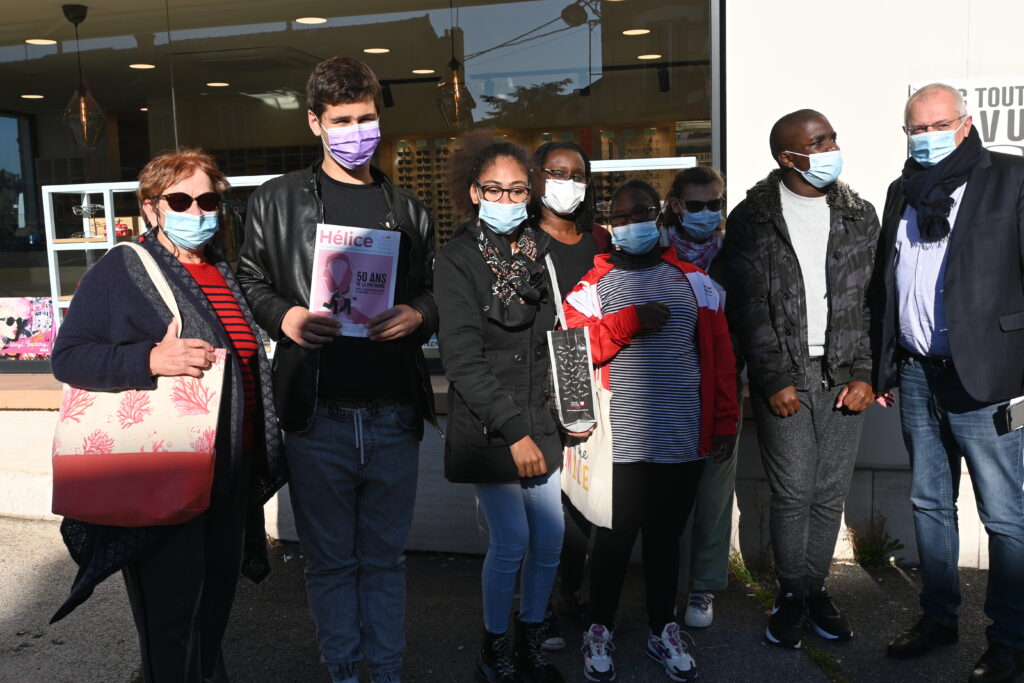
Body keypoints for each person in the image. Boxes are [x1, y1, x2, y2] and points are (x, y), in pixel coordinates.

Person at [50, 148, 286, 682]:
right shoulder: (123, 269)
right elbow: (69, 356)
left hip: (229, 469)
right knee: (172, 616)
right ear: (151, 207)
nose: (197, 210)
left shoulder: (223, 269)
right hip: (167, 468)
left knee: (213, 606)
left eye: (208, 200)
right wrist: (149, 359)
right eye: (181, 199)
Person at [237, 57, 438, 683]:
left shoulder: (408, 209)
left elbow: (434, 292)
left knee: (384, 561)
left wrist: (419, 315)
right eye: (343, 120)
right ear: (315, 123)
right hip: (316, 414)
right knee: (329, 564)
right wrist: (286, 318)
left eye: (367, 118)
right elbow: (248, 281)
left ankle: (387, 669)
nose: (357, 130)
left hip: (391, 415)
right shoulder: (275, 200)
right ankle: (344, 671)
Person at [874, 83, 1024, 683]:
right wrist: (886, 362)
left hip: (985, 377)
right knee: (930, 504)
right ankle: (939, 617)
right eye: (915, 128)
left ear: (964, 125)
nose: (927, 136)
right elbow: (889, 282)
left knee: (1006, 515)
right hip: (916, 374)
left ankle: (1010, 639)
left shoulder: (1011, 179)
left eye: (938, 124)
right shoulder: (901, 191)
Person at [565, 179, 738, 683]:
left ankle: (664, 628)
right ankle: (599, 628)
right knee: (614, 542)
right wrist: (629, 321)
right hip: (618, 443)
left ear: (660, 215)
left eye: (641, 212)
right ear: (609, 225)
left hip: (682, 437)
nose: (632, 223)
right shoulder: (591, 290)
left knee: (666, 540)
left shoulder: (697, 283)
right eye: (620, 217)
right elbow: (572, 358)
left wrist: (724, 421)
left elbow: (722, 363)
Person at [720, 109, 878, 650]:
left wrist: (865, 374)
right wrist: (771, 378)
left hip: (843, 374)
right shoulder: (751, 219)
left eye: (833, 135)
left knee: (828, 493)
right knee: (792, 493)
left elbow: (872, 302)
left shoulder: (860, 215)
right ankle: (791, 594)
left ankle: (816, 590)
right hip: (784, 376)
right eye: (819, 141)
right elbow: (747, 308)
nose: (832, 146)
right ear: (789, 157)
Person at [435, 136, 565, 683]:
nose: (507, 199)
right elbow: (463, 361)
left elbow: (558, 339)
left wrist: (569, 410)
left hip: (542, 418)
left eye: (517, 190)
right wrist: (515, 431)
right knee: (511, 540)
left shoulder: (538, 251)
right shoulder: (457, 258)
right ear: (474, 192)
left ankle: (532, 639)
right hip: (493, 427)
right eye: (495, 189)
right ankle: (495, 649)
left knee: (550, 541)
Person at [531, 140, 610, 650]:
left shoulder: (602, 238)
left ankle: (569, 594)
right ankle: (538, 608)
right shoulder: (520, 241)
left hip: (592, 377)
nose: (568, 183)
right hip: (538, 377)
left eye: (577, 175)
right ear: (537, 177)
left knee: (583, 501)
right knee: (542, 505)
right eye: (557, 173)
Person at [661, 166, 742, 629]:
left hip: (722, 384)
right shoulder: (653, 250)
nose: (707, 214)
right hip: (667, 386)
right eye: (696, 205)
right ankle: (667, 581)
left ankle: (702, 587)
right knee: (671, 495)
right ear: (675, 206)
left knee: (713, 493)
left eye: (715, 204)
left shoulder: (734, 253)